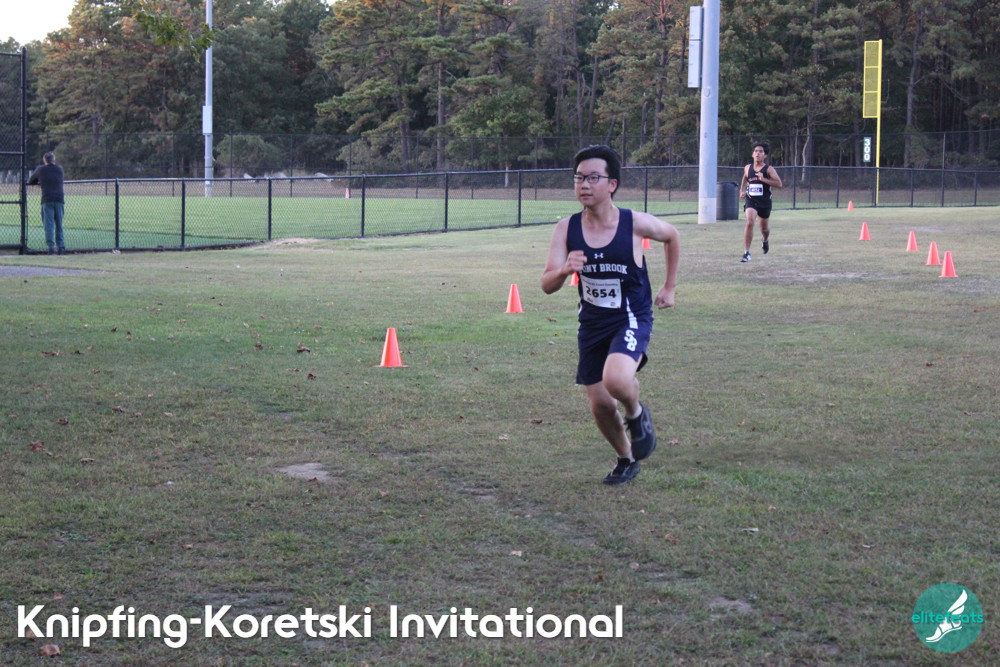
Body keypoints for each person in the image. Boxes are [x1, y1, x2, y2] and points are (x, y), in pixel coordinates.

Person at [542, 145, 680, 485]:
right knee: (601, 405)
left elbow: (672, 236)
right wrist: (564, 270)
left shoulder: (634, 223)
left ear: (612, 184)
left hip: (630, 318)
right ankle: (626, 459)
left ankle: (636, 414)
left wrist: (669, 287)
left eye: (593, 178)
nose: (584, 185)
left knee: (616, 380)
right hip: (591, 325)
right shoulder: (566, 228)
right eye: (579, 178)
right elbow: (546, 284)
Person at [738, 142, 782, 262]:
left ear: (765, 155)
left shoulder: (769, 169)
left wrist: (764, 179)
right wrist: (742, 190)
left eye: (761, 151)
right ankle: (747, 253)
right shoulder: (747, 168)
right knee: (750, 222)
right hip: (751, 200)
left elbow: (779, 184)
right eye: (756, 151)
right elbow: (745, 177)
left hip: (764, 202)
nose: (757, 153)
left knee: (764, 229)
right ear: (753, 154)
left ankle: (765, 240)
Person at [27, 152, 66, 255]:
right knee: (59, 224)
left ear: (45, 160)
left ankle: (51, 248)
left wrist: (40, 182)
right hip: (59, 198)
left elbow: (30, 181)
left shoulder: (41, 169)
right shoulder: (60, 169)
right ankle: (61, 247)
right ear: (54, 159)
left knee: (49, 225)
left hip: (47, 198)